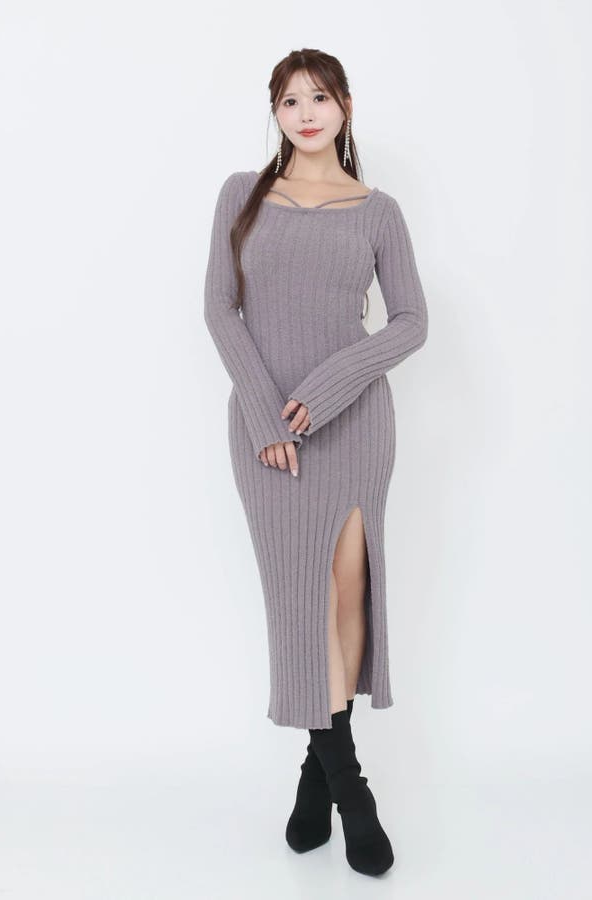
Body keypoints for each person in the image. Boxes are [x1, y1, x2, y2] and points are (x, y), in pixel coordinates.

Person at [203, 48, 428, 877]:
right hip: (267, 432)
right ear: (276, 111)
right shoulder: (243, 195)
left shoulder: (378, 211)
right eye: (291, 100)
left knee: (344, 593)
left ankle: (314, 778)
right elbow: (219, 308)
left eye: (320, 98)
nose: (306, 113)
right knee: (300, 602)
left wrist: (332, 385)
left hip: (356, 425)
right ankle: (351, 791)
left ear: (345, 108)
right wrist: (267, 412)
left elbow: (411, 320)